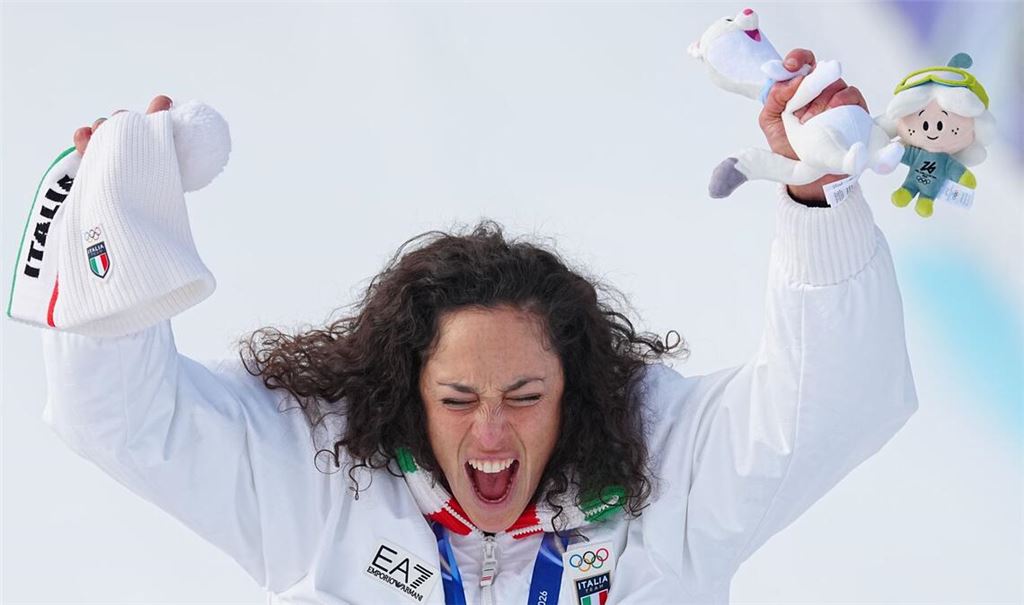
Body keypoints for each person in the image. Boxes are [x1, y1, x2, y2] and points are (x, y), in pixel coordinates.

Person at [39, 48, 916, 604]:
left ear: (575, 385)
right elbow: (122, 420)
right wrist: (107, 232)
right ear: (406, 387)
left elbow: (830, 406)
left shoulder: (668, 474)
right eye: (458, 396)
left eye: (525, 394)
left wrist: (819, 201)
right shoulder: (321, 474)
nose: (491, 432)